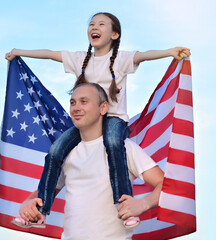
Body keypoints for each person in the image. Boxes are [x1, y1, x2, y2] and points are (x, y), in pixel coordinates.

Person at [5, 12, 190, 228]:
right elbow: (49, 54)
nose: (95, 27)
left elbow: (144, 56)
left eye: (102, 24)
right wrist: (18, 52)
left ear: (114, 34)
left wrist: (170, 52)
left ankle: (125, 206)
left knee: (113, 143)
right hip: (90, 124)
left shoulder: (121, 59)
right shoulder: (80, 59)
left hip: (113, 120)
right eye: (92, 24)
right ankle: (41, 210)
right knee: (55, 151)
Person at [15, 83, 164, 239]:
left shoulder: (124, 148)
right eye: (73, 102)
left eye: (84, 101)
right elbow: (44, 191)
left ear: (103, 108)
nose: (76, 107)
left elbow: (165, 184)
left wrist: (143, 204)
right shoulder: (66, 154)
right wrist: (26, 204)